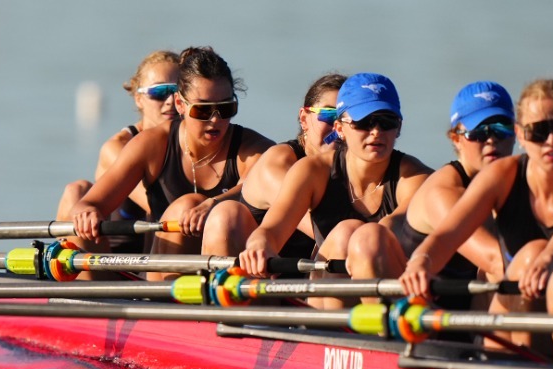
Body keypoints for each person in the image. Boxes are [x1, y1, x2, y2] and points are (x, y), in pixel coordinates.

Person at [398, 78, 553, 368]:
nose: (551, 141)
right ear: (521, 134)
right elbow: (447, 236)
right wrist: (421, 262)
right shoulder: (501, 176)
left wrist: (549, 259)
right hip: (509, 329)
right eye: (539, 131)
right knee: (529, 256)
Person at [236, 73, 433, 303]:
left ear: (398, 128)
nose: (376, 132)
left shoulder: (415, 178)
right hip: (326, 296)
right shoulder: (312, 171)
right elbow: (271, 230)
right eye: (364, 122)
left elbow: (391, 232)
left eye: (387, 121)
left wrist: (363, 251)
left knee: (361, 235)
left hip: (396, 294)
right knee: (346, 233)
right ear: (339, 128)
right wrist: (259, 245)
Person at [70, 47, 273, 262]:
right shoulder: (151, 144)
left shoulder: (253, 149)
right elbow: (88, 203)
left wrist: (213, 204)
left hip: (225, 270)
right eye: (203, 110)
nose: (215, 120)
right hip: (162, 273)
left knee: (216, 211)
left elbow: (257, 188)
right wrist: (87, 213)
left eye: (225, 108)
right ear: (180, 104)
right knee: (187, 205)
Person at [201, 72, 346, 270]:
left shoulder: (361, 166)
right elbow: (325, 233)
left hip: (313, 275)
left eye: (347, 118)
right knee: (226, 214)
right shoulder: (278, 163)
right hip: (260, 276)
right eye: (329, 116)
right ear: (304, 119)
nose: (337, 129)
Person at [390, 81, 517, 291]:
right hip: (429, 304)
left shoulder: (519, 179)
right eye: (479, 132)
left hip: (477, 300)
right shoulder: (443, 192)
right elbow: (495, 261)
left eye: (501, 129)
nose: (492, 140)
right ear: (456, 138)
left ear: (517, 133)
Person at [55, 50, 181, 222]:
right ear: (138, 99)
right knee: (76, 191)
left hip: (168, 233)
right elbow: (157, 206)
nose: (171, 101)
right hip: (116, 239)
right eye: (159, 92)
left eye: (178, 91)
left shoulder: (199, 139)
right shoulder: (116, 147)